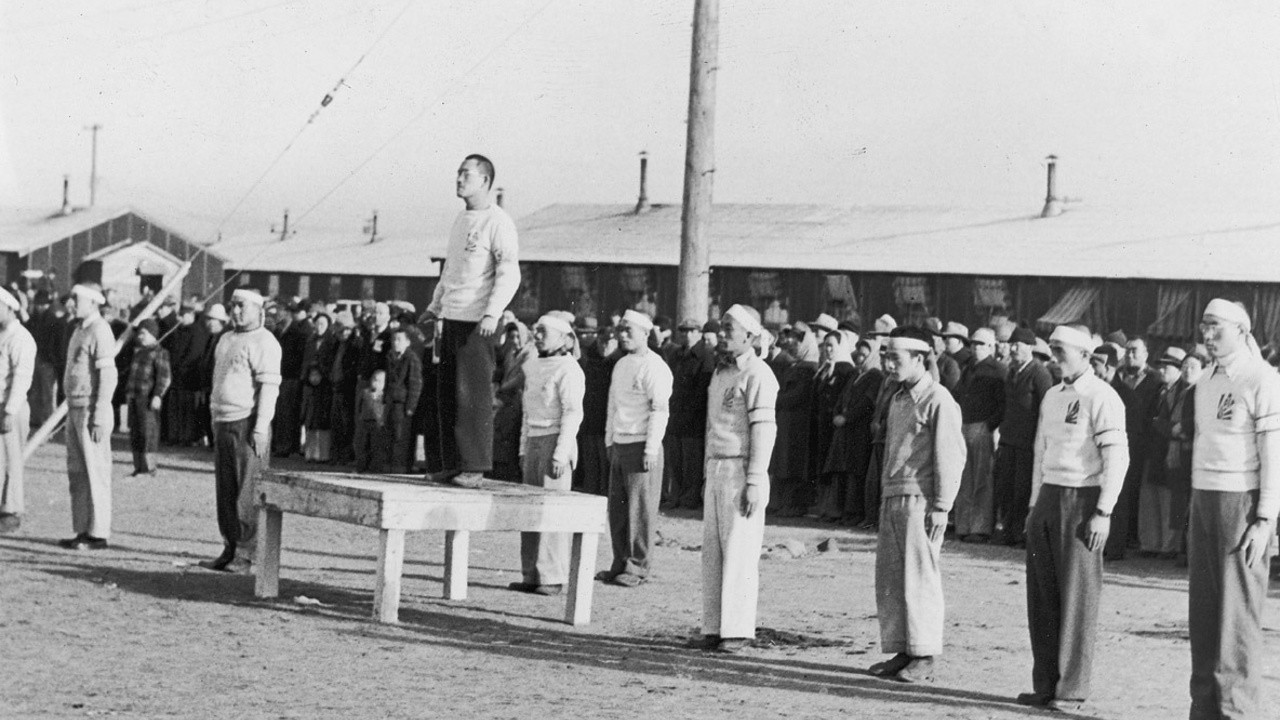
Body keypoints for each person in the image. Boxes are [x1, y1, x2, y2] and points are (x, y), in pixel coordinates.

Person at [1018, 324, 1128, 713]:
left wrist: (1104, 512)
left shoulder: (1103, 397)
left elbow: (1118, 457)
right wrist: (1034, 505)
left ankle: (1072, 690)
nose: (1054, 356)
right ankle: (1046, 684)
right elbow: (1039, 451)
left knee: (1076, 598)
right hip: (1048, 496)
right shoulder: (1051, 395)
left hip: (1082, 502)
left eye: (1061, 349)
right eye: (1052, 349)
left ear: (1084, 354)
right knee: (1043, 596)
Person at [1187, 299, 1280, 719]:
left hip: (1240, 502)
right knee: (1204, 612)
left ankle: (1235, 711)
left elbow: (1273, 452)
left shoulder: (1262, 378)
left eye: (1216, 328)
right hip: (1203, 497)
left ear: (1242, 330)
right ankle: (1205, 708)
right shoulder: (1205, 379)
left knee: (1235, 616)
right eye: (1204, 327)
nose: (1207, 335)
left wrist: (1264, 518)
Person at [869, 326, 965, 683]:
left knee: (920, 579)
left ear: (920, 359)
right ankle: (902, 649)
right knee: (892, 579)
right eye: (886, 357)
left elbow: (951, 456)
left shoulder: (938, 399)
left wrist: (942, 505)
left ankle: (924, 654)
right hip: (893, 496)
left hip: (921, 501)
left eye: (896, 358)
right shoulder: (897, 399)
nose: (889, 364)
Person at [423, 154, 520, 489]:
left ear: (485, 181)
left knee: (472, 395)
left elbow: (509, 272)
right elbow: (451, 270)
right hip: (451, 316)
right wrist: (436, 306)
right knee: (447, 393)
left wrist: (492, 312)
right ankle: (451, 464)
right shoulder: (461, 220)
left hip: (479, 322)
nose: (459, 179)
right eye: (458, 173)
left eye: (467, 174)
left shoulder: (498, 222)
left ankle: (475, 466)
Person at [697, 305, 778, 654]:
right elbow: (711, 429)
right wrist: (705, 473)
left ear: (750, 335)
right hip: (716, 467)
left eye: (731, 328)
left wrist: (755, 479)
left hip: (741, 469)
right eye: (723, 327)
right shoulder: (719, 375)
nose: (724, 333)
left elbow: (764, 429)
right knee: (713, 553)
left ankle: (738, 629)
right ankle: (714, 627)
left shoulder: (759, 374)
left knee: (740, 552)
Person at [199, 288, 282, 574]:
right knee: (226, 490)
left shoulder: (265, 342)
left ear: (258, 309)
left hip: (247, 424)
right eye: (232, 306)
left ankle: (248, 555)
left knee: (247, 492)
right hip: (223, 421)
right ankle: (230, 546)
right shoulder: (225, 339)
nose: (235, 311)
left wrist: (260, 428)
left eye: (241, 306)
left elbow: (269, 388)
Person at [510, 312, 585, 596]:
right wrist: (522, 447)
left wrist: (560, 454)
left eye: (543, 331)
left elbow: (573, 413)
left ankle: (552, 577)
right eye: (536, 330)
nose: (537, 335)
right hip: (533, 441)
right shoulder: (532, 366)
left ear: (564, 338)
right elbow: (527, 411)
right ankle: (531, 573)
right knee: (530, 510)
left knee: (553, 512)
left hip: (556, 443)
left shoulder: (569, 369)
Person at [598, 309, 672, 587]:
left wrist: (651, 449)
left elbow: (659, 410)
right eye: (621, 330)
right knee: (617, 510)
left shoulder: (655, 366)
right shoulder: (621, 364)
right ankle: (619, 563)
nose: (623, 335)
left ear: (645, 333)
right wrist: (609, 441)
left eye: (630, 330)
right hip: (619, 443)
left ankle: (637, 566)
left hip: (642, 445)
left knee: (640, 511)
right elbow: (612, 406)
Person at [58, 283, 118, 550]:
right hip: (74, 407)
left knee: (96, 472)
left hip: (92, 410)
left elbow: (108, 375)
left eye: (76, 298)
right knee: (77, 473)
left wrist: (100, 413)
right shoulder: (78, 330)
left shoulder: (100, 330)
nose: (71, 303)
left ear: (93, 302)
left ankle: (98, 533)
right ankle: (82, 528)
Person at [992, 327, 1052, 547]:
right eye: (1012, 344)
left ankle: (1020, 533)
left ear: (1030, 347)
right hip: (1009, 440)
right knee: (1006, 488)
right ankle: (1008, 531)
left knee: (1023, 490)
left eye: (1019, 345)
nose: (1014, 348)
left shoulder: (1039, 373)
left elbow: (1047, 408)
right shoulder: (1011, 372)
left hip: (1028, 443)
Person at [953, 327, 1005, 542]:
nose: (976, 347)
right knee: (965, 478)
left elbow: (1003, 403)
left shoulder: (998, 370)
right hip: (964, 426)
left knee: (982, 479)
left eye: (981, 344)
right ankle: (963, 525)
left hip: (982, 428)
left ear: (992, 346)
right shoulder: (969, 368)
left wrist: (989, 425)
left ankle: (980, 528)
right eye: (974, 344)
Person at [1139, 346, 1187, 557]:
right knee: (1151, 499)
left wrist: (1160, 425)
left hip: (1170, 451)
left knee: (1168, 500)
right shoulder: (1160, 389)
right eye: (1161, 366)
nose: (1162, 370)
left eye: (1168, 366)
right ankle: (1151, 543)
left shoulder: (1183, 392)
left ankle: (1169, 545)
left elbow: (1172, 424)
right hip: (1154, 450)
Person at [663, 318, 714, 510]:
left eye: (691, 331)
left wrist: (691, 411)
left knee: (691, 462)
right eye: (683, 331)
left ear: (699, 333)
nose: (687, 335)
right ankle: (675, 496)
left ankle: (689, 498)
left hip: (693, 418)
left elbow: (702, 389)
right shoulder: (677, 355)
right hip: (676, 415)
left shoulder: (705, 355)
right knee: (675, 460)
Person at [0, 287, 35, 534]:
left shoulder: (21, 338)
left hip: (11, 406)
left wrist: (10, 411)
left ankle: (11, 511)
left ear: (9, 308)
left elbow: (22, 378)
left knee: (12, 460)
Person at [813, 329, 856, 521]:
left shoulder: (847, 369)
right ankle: (823, 507)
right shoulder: (826, 367)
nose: (828, 350)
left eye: (832, 345)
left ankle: (832, 508)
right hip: (823, 423)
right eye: (826, 346)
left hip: (836, 425)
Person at [125, 319, 171, 477]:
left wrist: (158, 395)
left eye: (144, 333)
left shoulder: (160, 353)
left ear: (152, 334)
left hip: (148, 399)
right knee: (136, 433)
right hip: (134, 397)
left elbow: (164, 377)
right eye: (139, 333)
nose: (140, 336)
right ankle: (138, 467)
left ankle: (149, 468)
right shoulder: (138, 352)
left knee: (148, 433)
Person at [575, 322, 617, 495]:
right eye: (601, 341)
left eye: (609, 341)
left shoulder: (618, 363)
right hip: (590, 421)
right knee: (591, 465)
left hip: (607, 424)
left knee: (605, 466)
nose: (605, 345)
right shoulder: (590, 362)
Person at [384, 327, 423, 473]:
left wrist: (411, 406)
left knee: (402, 437)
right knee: (390, 434)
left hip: (403, 403)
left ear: (407, 342)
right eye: (394, 339)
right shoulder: (390, 356)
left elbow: (415, 384)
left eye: (399, 340)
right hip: (391, 401)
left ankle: (401, 468)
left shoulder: (411, 358)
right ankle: (390, 466)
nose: (396, 343)